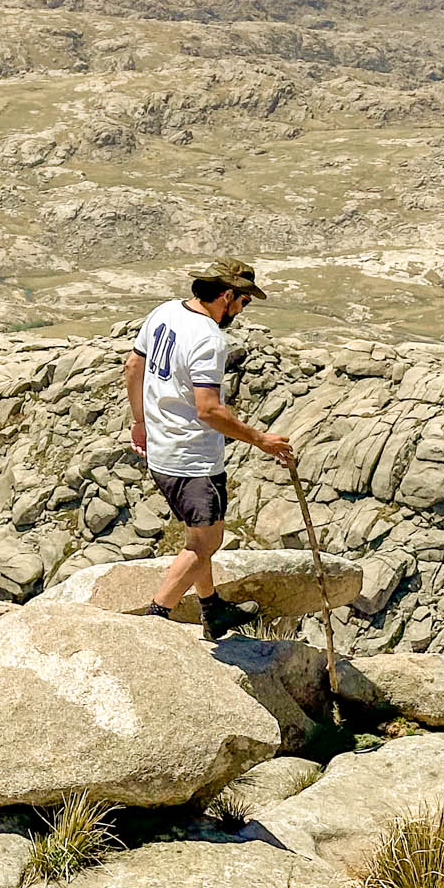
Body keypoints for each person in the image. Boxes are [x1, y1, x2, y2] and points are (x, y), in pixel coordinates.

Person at [127, 258, 296, 639]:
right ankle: (155, 617)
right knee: (205, 544)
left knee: (197, 536)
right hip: (192, 458)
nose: (241, 310)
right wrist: (261, 440)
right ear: (227, 295)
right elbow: (209, 410)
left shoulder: (165, 312)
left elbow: (133, 368)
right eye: (243, 302)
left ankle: (212, 608)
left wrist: (140, 422)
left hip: (162, 449)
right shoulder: (208, 338)